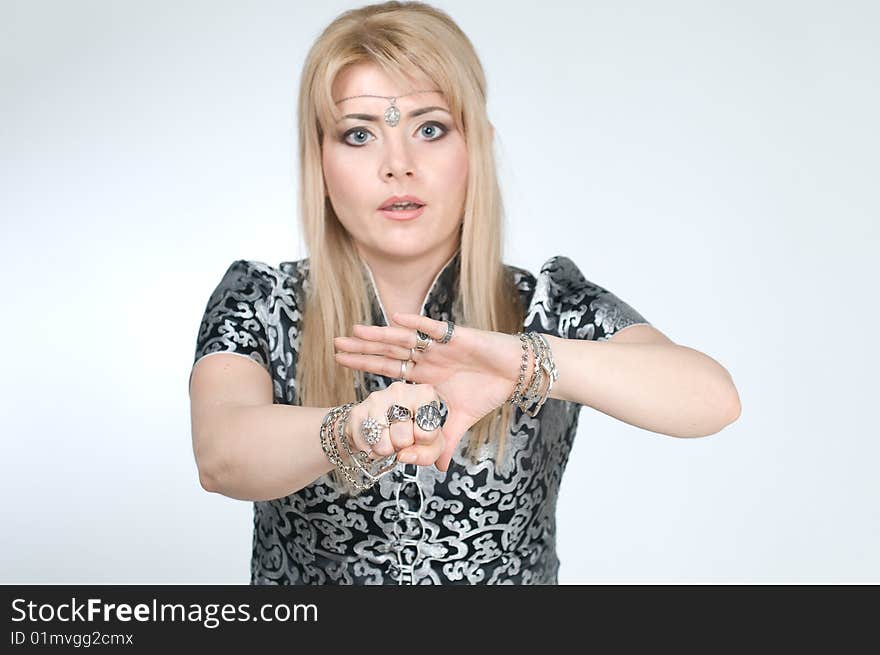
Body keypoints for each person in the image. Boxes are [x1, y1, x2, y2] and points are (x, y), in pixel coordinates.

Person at [188, 1, 741, 585]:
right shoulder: (263, 300)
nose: (398, 166)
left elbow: (712, 399)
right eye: (359, 135)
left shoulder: (546, 306)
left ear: (477, 145)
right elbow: (223, 454)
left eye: (430, 129)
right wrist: (355, 428)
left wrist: (528, 360)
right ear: (319, 157)